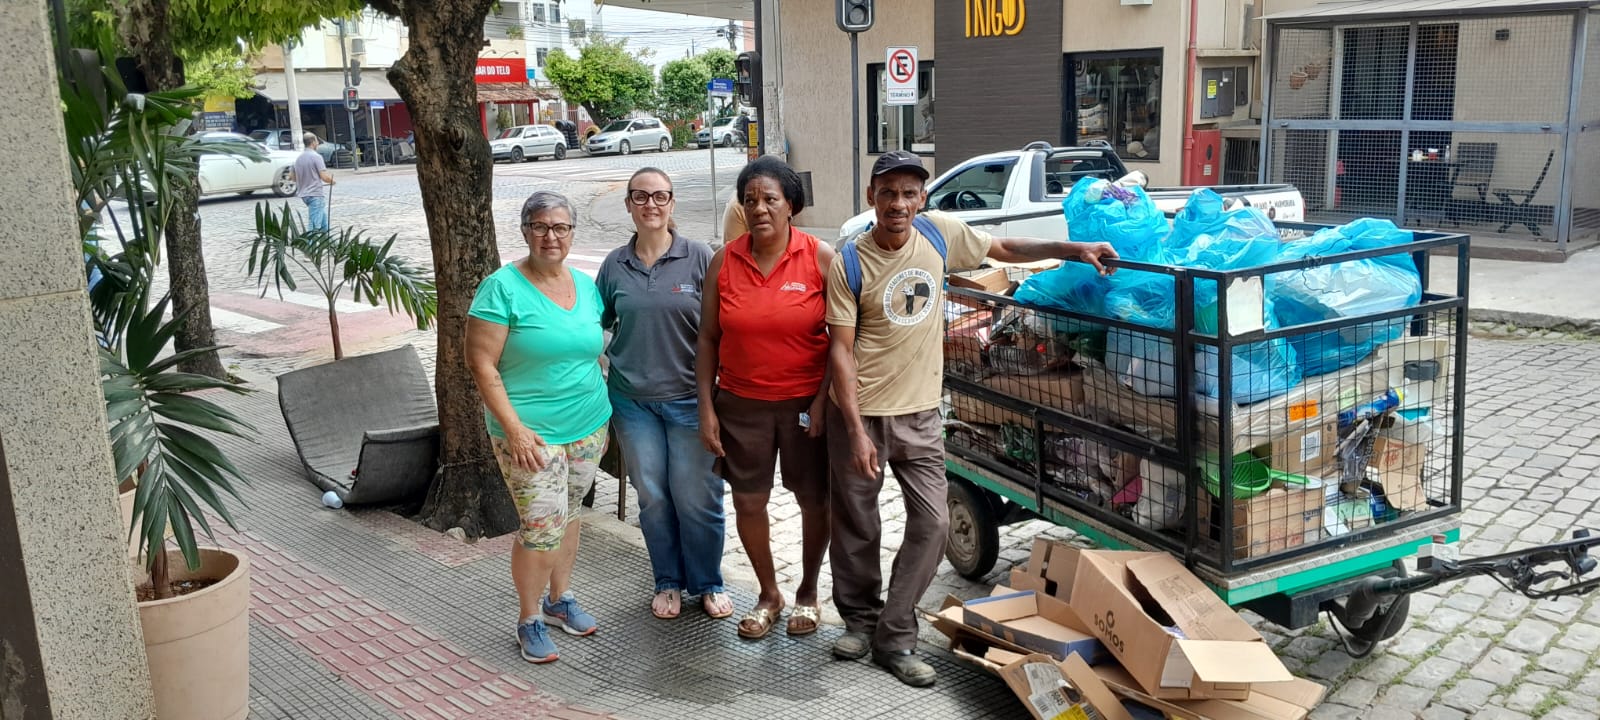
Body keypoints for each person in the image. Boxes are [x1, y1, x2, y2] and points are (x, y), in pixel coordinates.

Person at [825, 151, 1118, 687]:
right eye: (887, 192)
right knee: (856, 525)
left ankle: (895, 633)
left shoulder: (938, 234)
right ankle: (859, 621)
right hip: (862, 414)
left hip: (919, 413)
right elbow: (840, 352)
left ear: (922, 198)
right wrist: (853, 430)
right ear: (871, 198)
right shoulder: (849, 261)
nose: (898, 203)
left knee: (933, 524)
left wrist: (1074, 249)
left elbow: (1005, 248)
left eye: (909, 193)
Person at [466, 190, 610, 664]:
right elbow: (481, 364)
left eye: (561, 227)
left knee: (570, 515)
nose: (551, 236)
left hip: (588, 424)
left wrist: (604, 413)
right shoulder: (501, 288)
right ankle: (529, 617)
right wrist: (514, 430)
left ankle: (559, 600)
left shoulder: (584, 285)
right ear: (526, 231)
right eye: (541, 226)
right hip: (530, 434)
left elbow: (592, 350)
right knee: (541, 527)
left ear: (572, 233)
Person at [697, 155, 835, 640]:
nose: (759, 208)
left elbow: (844, 339)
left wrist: (823, 402)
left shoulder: (820, 257)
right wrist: (706, 407)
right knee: (749, 501)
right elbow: (708, 338)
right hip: (741, 405)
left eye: (770, 199)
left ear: (791, 204)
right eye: (750, 200)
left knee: (813, 499)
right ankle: (769, 594)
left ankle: (809, 592)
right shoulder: (724, 260)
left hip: (805, 406)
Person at [597, 168, 731, 622]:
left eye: (659, 196)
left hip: (692, 400)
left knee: (698, 496)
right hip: (632, 403)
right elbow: (596, 324)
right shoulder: (615, 265)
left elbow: (722, 327)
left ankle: (708, 582)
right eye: (640, 197)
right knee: (653, 497)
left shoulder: (699, 257)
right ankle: (667, 580)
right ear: (629, 205)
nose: (650, 204)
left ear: (672, 203)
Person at [293, 132, 335, 232]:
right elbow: (324, 177)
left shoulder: (299, 158)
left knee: (324, 224)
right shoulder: (316, 157)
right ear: (312, 142)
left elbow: (293, 177)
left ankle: (330, 241)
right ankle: (311, 242)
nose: (318, 143)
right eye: (317, 141)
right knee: (314, 225)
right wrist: (332, 181)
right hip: (315, 194)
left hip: (304, 195)